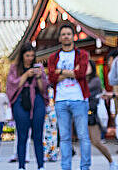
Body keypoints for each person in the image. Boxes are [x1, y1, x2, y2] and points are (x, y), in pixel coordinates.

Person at [47, 22, 91, 170]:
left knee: (83, 136)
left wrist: (60, 71)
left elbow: (81, 73)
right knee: (64, 138)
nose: (66, 37)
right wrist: (71, 72)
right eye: (63, 34)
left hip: (79, 99)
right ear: (59, 38)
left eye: (68, 34)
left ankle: (85, 167)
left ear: (73, 37)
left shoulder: (82, 54)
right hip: (60, 100)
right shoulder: (54, 57)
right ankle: (66, 167)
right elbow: (51, 78)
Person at [6, 44, 48, 170]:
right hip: (21, 99)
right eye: (27, 55)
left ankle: (41, 165)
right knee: (22, 134)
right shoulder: (14, 68)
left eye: (32, 55)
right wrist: (26, 75)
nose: (30, 58)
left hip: (37, 100)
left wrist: (39, 76)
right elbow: (12, 85)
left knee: (38, 134)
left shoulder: (39, 67)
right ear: (22, 56)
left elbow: (43, 89)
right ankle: (21, 166)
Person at [86, 60, 118, 169]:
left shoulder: (95, 80)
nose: (85, 68)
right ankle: (85, 165)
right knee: (84, 141)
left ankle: (111, 161)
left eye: (88, 66)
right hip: (80, 113)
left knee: (96, 141)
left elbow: (86, 90)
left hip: (91, 114)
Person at [43, 87, 59, 163]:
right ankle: (47, 154)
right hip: (46, 112)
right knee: (46, 134)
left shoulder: (53, 89)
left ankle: (52, 154)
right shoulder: (45, 88)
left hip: (52, 112)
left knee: (52, 134)